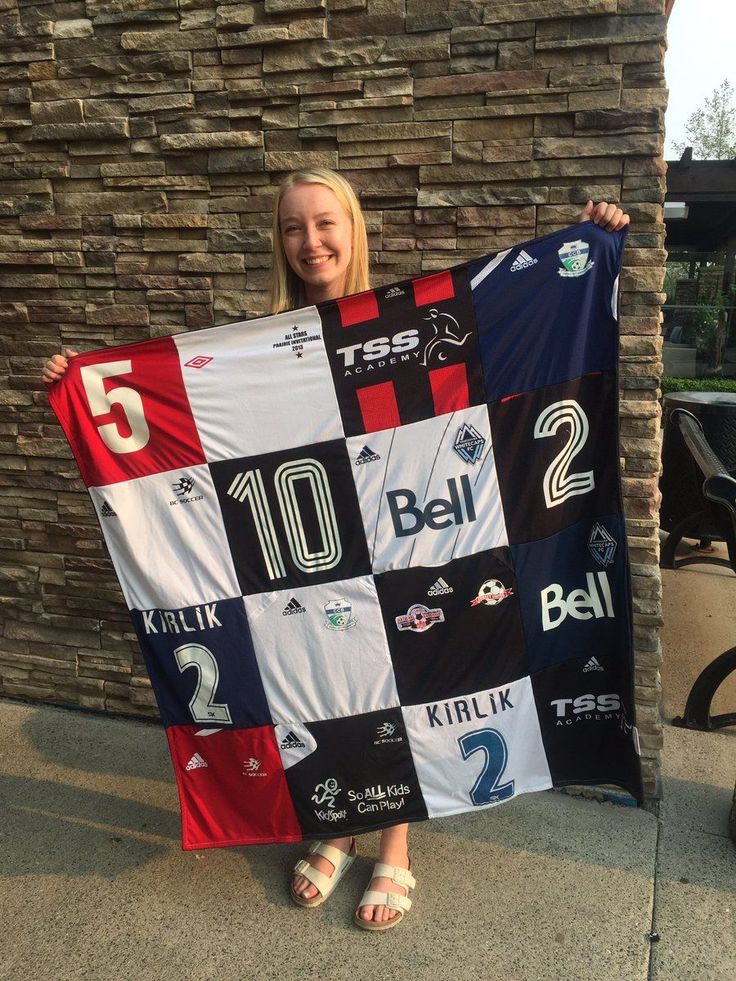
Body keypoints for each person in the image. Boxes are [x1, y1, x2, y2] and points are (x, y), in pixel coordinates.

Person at [42, 167, 630, 931]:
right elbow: (167, 419)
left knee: (413, 669)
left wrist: (593, 242)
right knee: (326, 679)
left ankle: (396, 842)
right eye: (292, 226)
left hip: (406, 532)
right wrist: (81, 385)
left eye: (324, 222)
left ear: (353, 230)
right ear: (278, 242)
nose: (309, 240)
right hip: (310, 553)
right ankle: (337, 827)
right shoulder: (256, 347)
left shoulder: (409, 321)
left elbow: (507, 333)